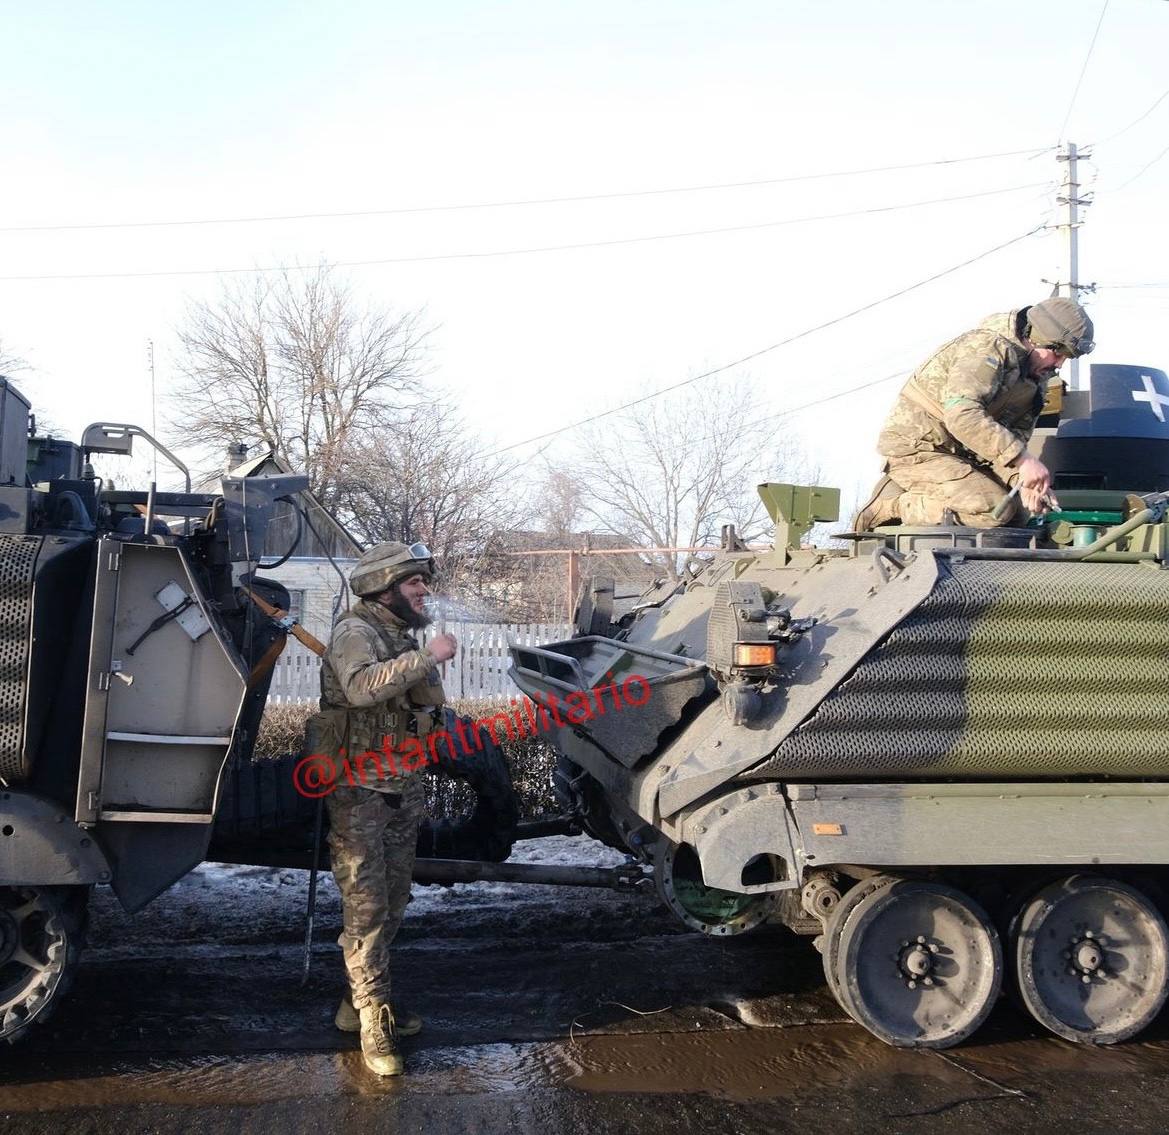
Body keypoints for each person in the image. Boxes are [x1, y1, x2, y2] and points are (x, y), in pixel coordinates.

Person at [313, 540, 458, 1077]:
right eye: (414, 582)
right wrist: (429, 656)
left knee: (394, 899)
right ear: (385, 587)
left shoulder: (396, 635)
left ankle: (356, 1004)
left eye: (422, 581)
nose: (423, 591)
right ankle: (375, 1017)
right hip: (361, 792)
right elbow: (356, 689)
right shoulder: (357, 632)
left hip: (402, 784)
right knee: (367, 906)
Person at [854, 298, 1095, 529]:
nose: (1060, 364)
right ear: (1035, 338)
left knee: (1020, 516)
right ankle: (889, 506)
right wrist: (1025, 461)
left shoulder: (1036, 377)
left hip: (965, 456)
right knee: (991, 511)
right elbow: (962, 415)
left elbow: (1012, 440)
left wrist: (1025, 482)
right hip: (918, 449)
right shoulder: (986, 348)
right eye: (1058, 353)